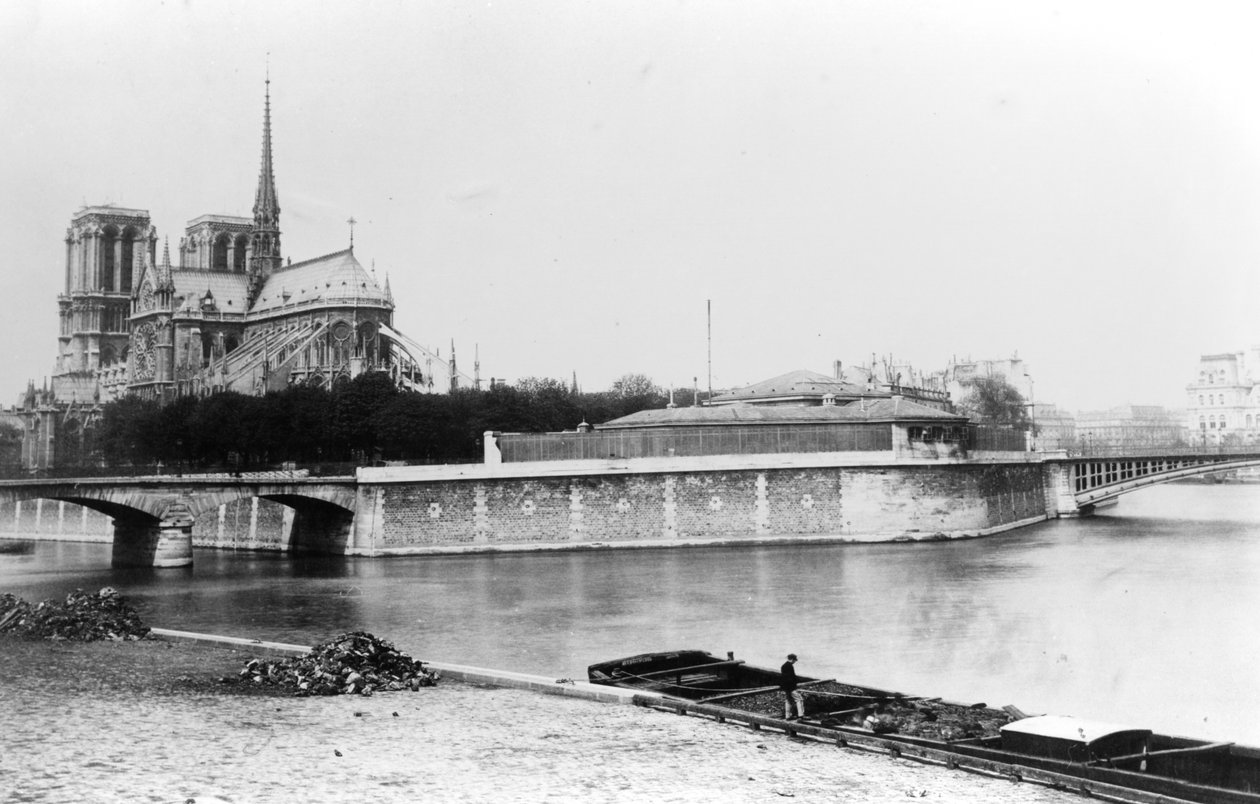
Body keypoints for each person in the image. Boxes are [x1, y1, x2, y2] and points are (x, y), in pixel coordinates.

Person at [780, 653, 805, 720]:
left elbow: (784, 678)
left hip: (786, 687)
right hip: (790, 687)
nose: (795, 661)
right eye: (794, 660)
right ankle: (801, 715)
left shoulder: (783, 666)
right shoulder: (789, 666)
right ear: (792, 659)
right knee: (799, 699)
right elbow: (791, 678)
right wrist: (797, 682)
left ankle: (787, 716)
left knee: (788, 700)